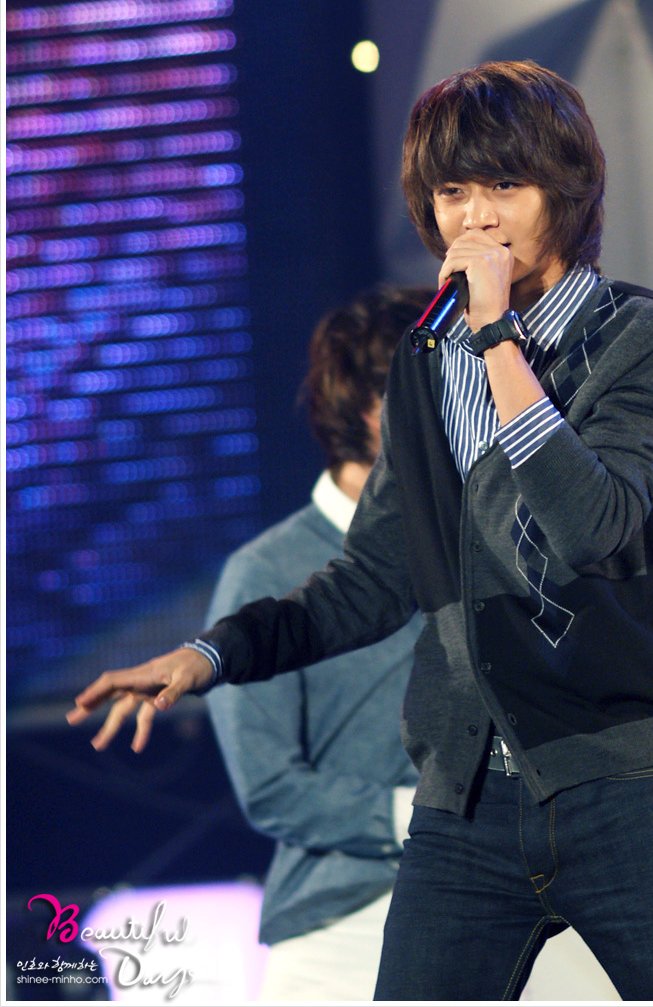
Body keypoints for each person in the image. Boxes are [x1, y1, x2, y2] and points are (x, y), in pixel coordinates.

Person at [68, 60, 653, 1002]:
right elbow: (374, 574)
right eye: (452, 193)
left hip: (622, 780)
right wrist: (213, 652)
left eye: (504, 185)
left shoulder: (650, 339)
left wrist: (497, 340)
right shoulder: (426, 359)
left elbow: (592, 527)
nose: (476, 218)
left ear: (565, 190)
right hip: (464, 801)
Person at [203, 286, 431, 1001]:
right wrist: (425, 814)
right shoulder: (265, 573)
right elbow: (271, 786)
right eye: (434, 389)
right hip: (345, 922)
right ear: (367, 408)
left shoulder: (476, 541)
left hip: (494, 901)